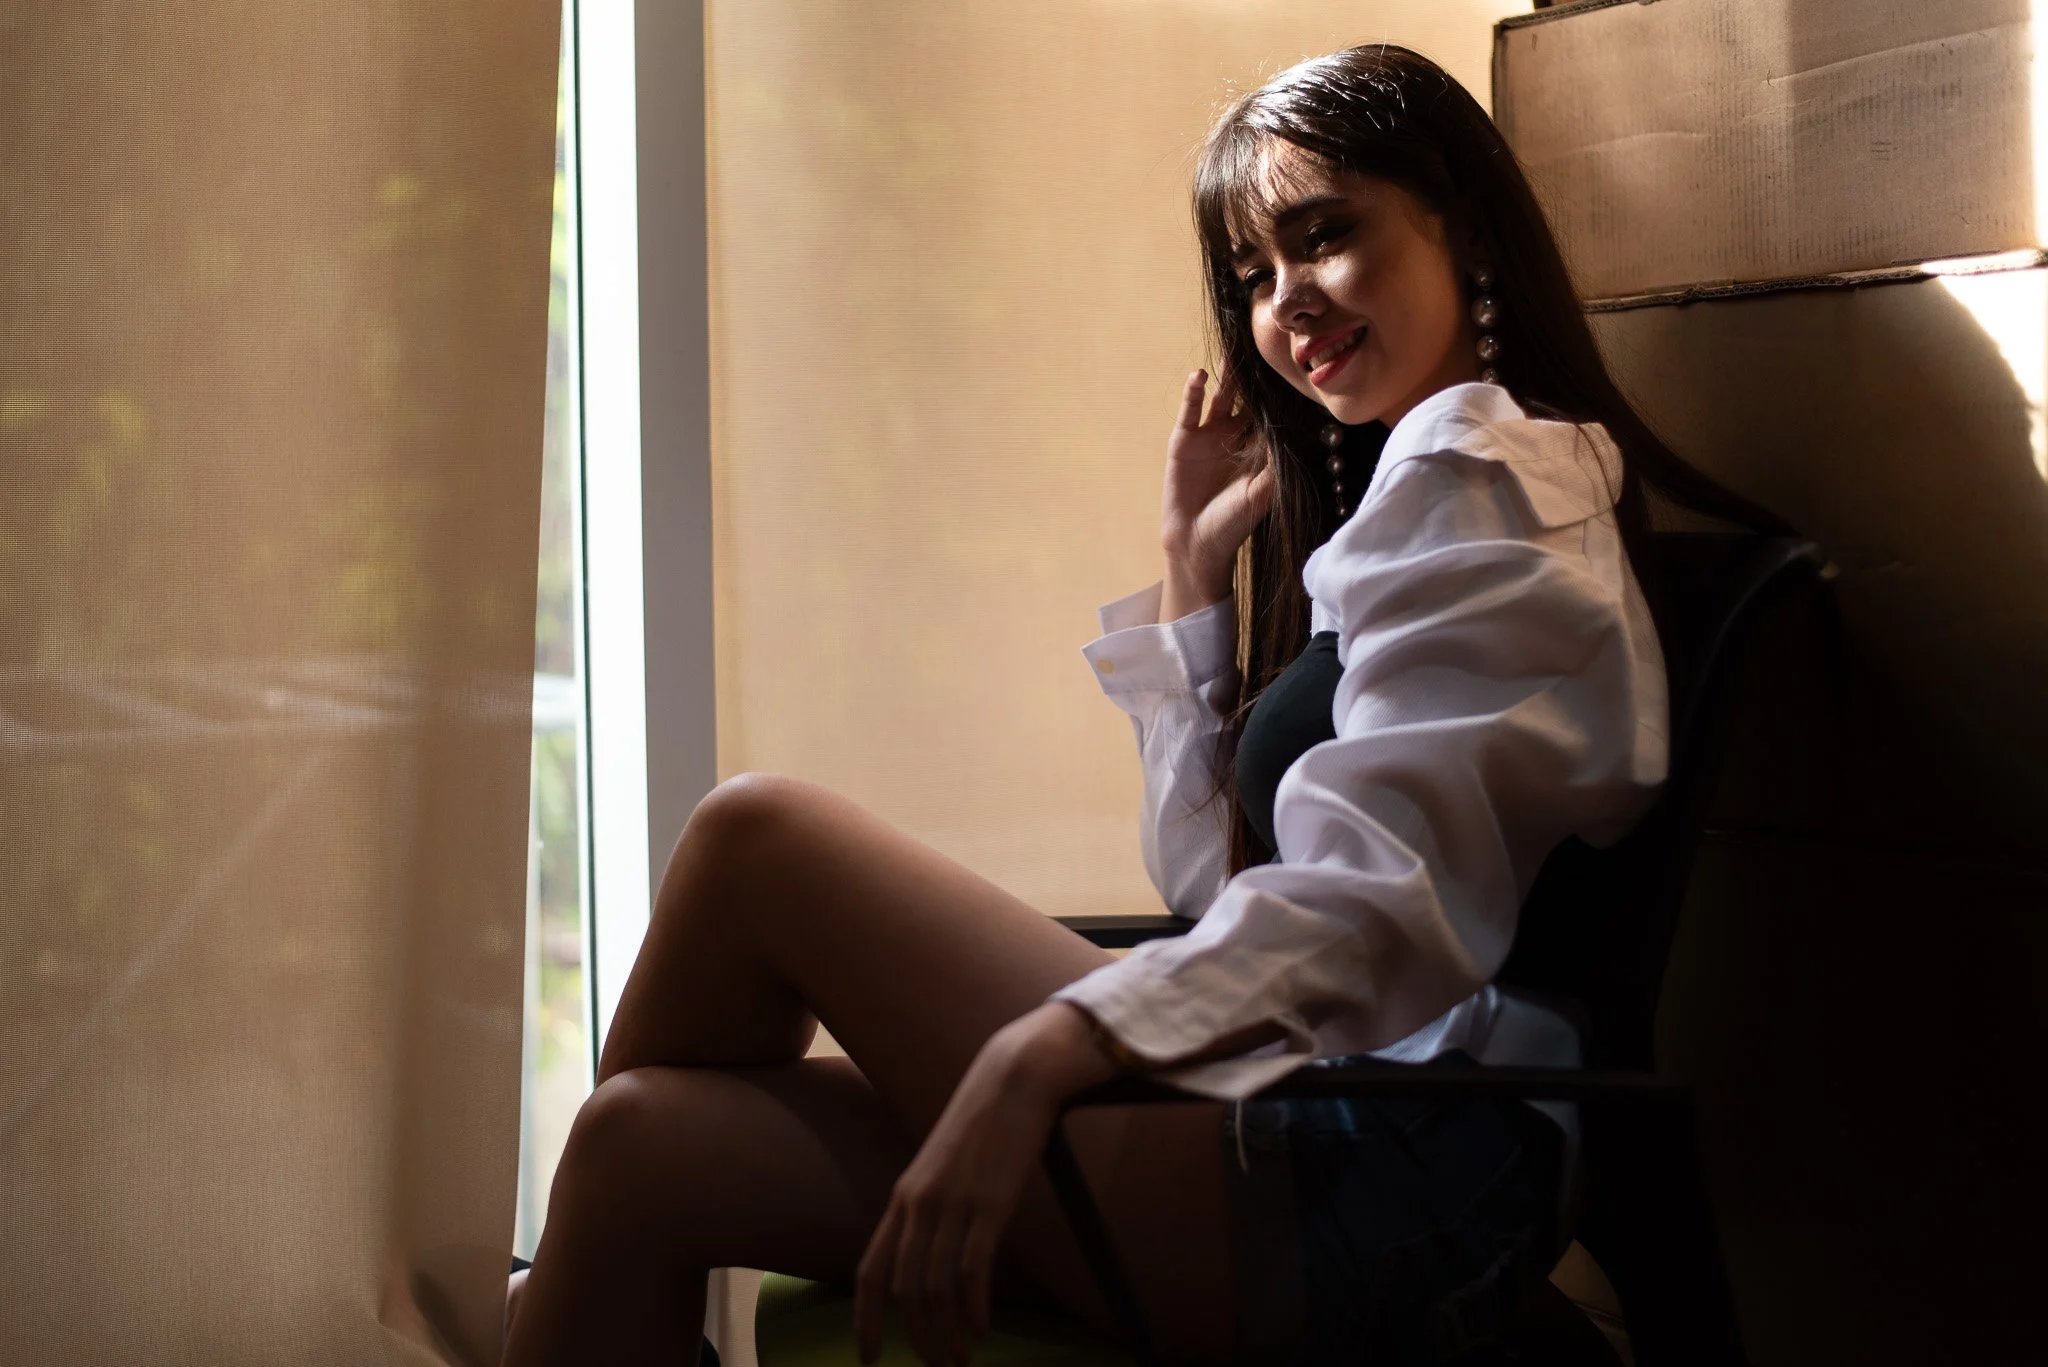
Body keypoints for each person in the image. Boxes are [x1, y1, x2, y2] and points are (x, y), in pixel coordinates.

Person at [500, 43, 1769, 1367]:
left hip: (1371, 1176)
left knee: (754, 836)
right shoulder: (1440, 488)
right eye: (1254, 277)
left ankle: (535, 1328)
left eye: (1325, 236)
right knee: (637, 1142)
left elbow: (1382, 905)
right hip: (1328, 1121)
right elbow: (1227, 893)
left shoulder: (1478, 469)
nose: (1288, 305)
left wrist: (1052, 1046)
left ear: (1456, 213)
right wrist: (1188, 569)